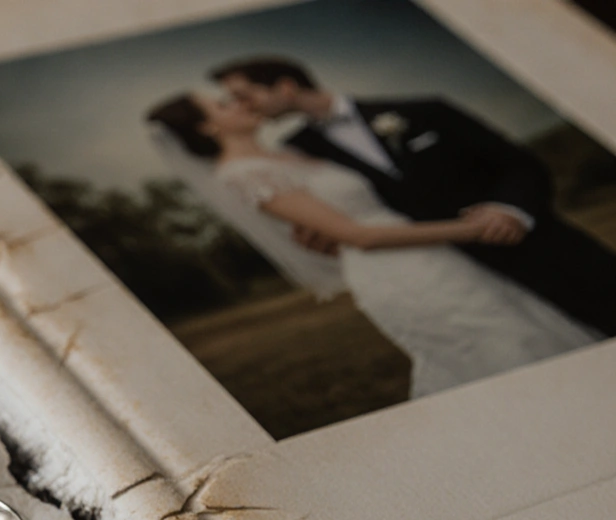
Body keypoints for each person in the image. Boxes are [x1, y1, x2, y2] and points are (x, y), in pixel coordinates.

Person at [146, 93, 600, 397]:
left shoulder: (290, 151)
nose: (240, 104)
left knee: (528, 329)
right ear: (207, 128)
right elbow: (359, 235)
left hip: (442, 259)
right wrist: (471, 227)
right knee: (495, 349)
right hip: (399, 272)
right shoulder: (243, 175)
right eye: (223, 104)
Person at [209, 56, 616, 337]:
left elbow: (521, 164)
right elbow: (326, 213)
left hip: (537, 246)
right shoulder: (298, 153)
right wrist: (319, 234)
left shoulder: (425, 111)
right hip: (442, 273)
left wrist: (508, 208)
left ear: (285, 85)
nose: (242, 106)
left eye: (245, 95)